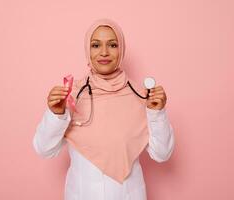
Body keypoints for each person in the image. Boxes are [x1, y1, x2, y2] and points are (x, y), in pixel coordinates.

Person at [33, 18, 175, 200]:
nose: (104, 52)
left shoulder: (140, 96)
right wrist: (56, 113)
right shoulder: (72, 94)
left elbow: (162, 154)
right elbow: (44, 149)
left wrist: (157, 113)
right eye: (96, 45)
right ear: (87, 50)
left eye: (113, 45)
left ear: (121, 49)